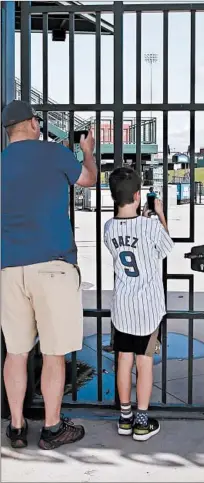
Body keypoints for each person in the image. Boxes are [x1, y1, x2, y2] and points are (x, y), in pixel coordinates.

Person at [1, 100, 97, 449]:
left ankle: (16, 426)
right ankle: (53, 427)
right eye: (36, 121)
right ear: (30, 123)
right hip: (53, 266)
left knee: (16, 352)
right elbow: (88, 180)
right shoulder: (53, 153)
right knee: (54, 353)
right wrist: (87, 151)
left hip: (9, 268)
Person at [103, 167, 173, 441]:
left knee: (123, 360)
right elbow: (165, 247)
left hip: (123, 307)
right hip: (148, 308)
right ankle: (142, 423)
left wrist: (141, 218)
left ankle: (124, 418)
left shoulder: (109, 227)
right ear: (137, 194)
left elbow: (125, 243)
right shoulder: (151, 226)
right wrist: (160, 213)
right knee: (144, 362)